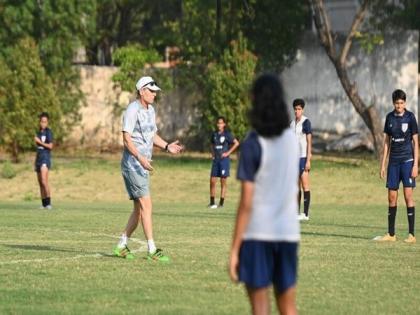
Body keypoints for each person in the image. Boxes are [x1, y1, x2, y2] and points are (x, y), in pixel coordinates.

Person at [229, 74, 300, 315]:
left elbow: (246, 203)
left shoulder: (251, 143)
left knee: (261, 309)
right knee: (288, 308)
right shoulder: (293, 140)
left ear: (254, 100)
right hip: (288, 234)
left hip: (258, 234)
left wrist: (234, 250)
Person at [113, 76, 183, 261]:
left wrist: (167, 146)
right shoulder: (132, 110)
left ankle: (121, 245)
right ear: (142, 91)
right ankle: (152, 250)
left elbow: (152, 136)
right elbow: (126, 139)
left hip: (143, 166)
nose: (154, 94)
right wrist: (140, 158)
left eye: (155, 91)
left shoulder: (150, 110)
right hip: (133, 165)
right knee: (146, 205)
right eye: (151, 91)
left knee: (138, 210)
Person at [376, 89, 418, 243]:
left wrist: (416, 165)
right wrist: (383, 164)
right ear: (393, 103)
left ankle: (411, 235)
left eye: (402, 103)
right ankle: (391, 234)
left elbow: (416, 142)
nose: (399, 105)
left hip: (407, 162)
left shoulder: (410, 117)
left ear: (405, 103)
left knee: (408, 196)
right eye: (397, 103)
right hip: (393, 162)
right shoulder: (389, 118)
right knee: (392, 197)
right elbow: (386, 142)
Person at [208, 116, 240, 209]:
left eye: (221, 123)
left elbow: (236, 143)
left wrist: (228, 153)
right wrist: (212, 153)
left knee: (223, 181)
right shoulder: (214, 134)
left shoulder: (227, 134)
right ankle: (212, 202)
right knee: (212, 181)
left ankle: (221, 204)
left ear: (224, 124)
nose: (219, 125)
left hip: (224, 161)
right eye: (218, 123)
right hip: (216, 160)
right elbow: (211, 144)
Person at [290, 98, 312, 221]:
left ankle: (305, 213)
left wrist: (308, 159)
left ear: (302, 110)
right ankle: (296, 212)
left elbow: (309, 141)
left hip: (303, 157)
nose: (297, 111)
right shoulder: (291, 124)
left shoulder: (306, 122)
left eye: (299, 109)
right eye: (295, 109)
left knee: (305, 185)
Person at [34, 112, 53, 210]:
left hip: (45, 157)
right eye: (42, 122)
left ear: (47, 122)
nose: (43, 124)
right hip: (38, 158)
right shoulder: (38, 132)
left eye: (45, 122)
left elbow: (50, 146)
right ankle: (43, 204)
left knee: (44, 181)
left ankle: (49, 203)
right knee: (40, 182)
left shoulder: (48, 132)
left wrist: (39, 142)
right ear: (39, 122)